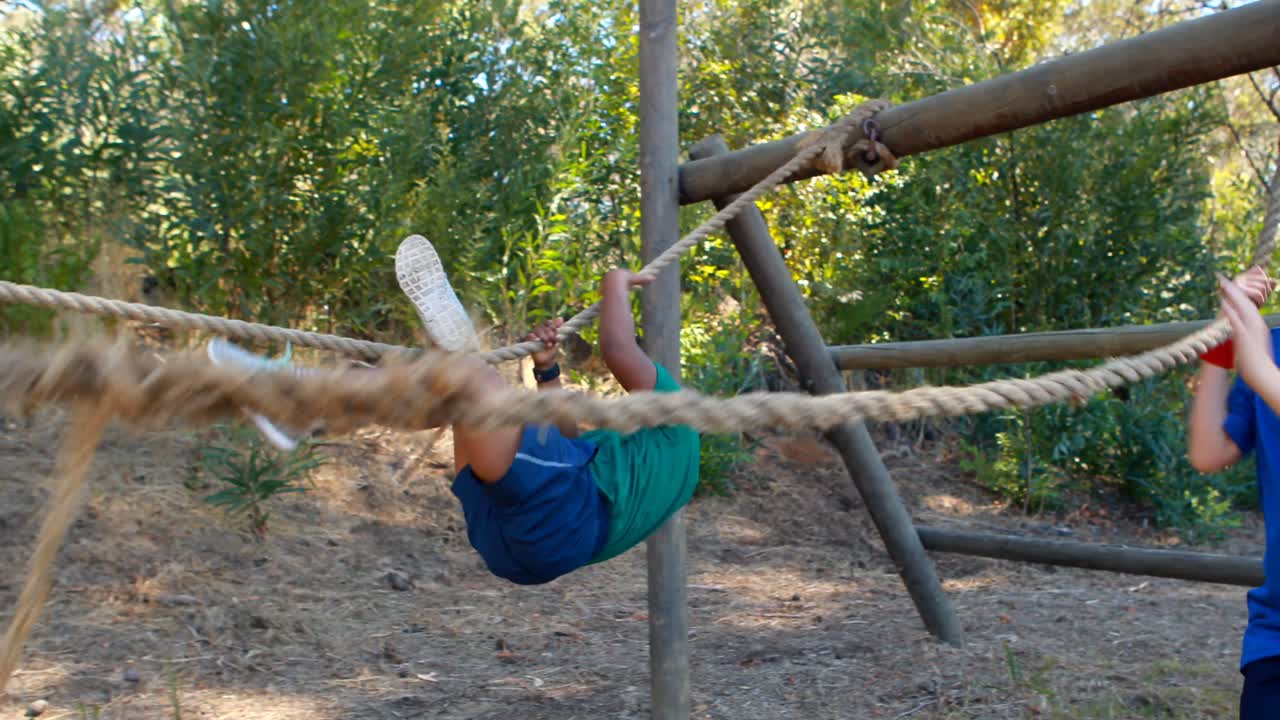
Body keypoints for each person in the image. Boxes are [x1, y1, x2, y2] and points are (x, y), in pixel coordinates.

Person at [207, 234, 701, 585]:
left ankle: (308, 401)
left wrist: (614, 283)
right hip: (524, 545)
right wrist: (547, 370)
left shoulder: (677, 423)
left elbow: (619, 349)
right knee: (455, 396)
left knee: (469, 383)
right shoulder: (657, 467)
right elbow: (567, 443)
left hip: (563, 519)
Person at [1187, 266, 1280, 719]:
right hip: (1276, 635)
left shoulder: (1266, 357)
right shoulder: (1273, 346)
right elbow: (1209, 452)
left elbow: (1263, 373)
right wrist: (1223, 342)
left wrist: (1261, 368)